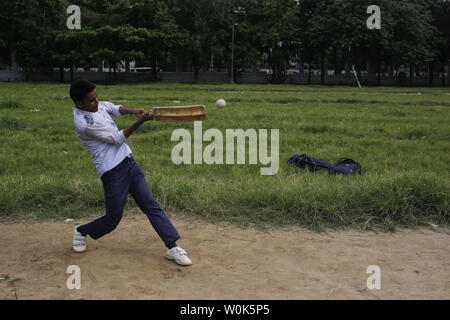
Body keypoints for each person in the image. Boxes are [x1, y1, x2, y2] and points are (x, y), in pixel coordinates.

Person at [70, 79, 192, 266]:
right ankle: (82, 231)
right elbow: (117, 138)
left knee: (150, 205)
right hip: (112, 172)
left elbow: (112, 107)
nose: (97, 102)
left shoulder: (96, 105)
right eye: (92, 100)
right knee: (112, 220)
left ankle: (172, 246)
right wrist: (141, 120)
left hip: (128, 162)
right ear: (80, 104)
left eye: (96, 97)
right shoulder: (85, 123)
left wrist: (132, 111)